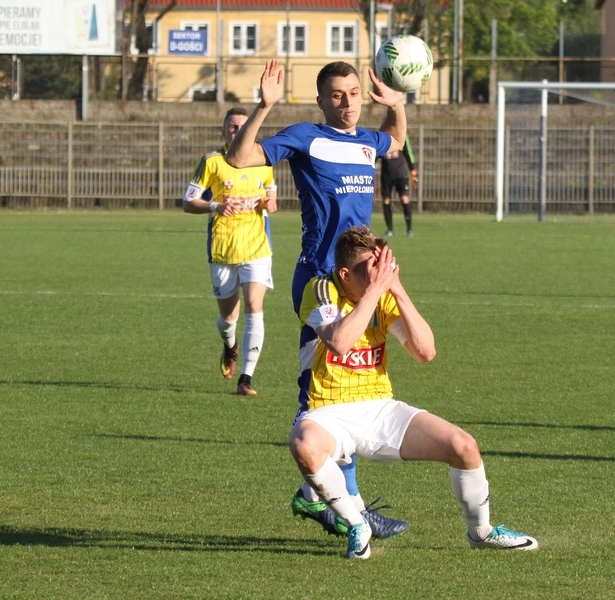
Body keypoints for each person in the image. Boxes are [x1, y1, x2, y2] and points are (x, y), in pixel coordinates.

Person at [226, 59, 408, 538]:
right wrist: (264, 108)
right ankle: (345, 506)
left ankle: (317, 496)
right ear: (322, 100)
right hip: (320, 280)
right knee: (325, 391)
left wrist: (398, 104)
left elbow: (396, 141)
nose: (347, 101)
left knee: (353, 386)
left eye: (353, 92)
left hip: (359, 280)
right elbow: (241, 158)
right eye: (337, 94)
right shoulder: (307, 136)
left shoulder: (367, 141)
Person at [289, 225, 538, 559]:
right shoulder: (320, 288)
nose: (378, 274)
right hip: (326, 411)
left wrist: (397, 289)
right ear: (345, 274)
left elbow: (425, 352)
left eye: (382, 266)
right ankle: (355, 523)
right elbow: (340, 342)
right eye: (369, 270)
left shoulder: (382, 292)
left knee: (464, 446)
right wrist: (375, 292)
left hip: (378, 407)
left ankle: (482, 532)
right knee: (303, 444)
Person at [183, 106, 278, 397]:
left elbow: (271, 193)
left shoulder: (264, 161)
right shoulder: (211, 162)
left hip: (257, 246)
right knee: (228, 318)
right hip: (223, 249)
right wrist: (216, 206)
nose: (238, 131)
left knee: (254, 306)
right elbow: (188, 203)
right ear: (224, 131)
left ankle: (246, 378)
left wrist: (269, 204)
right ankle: (230, 345)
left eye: (243, 126)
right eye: (233, 127)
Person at [379, 135, 417, 237]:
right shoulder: (382, 138)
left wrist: (413, 170)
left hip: (401, 175)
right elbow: (375, 154)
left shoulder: (401, 136)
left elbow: (408, 153)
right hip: (386, 176)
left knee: (405, 199)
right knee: (386, 201)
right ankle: (390, 230)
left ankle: (409, 230)